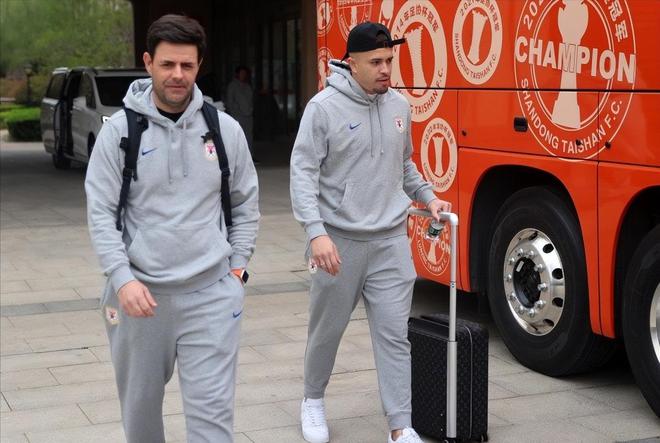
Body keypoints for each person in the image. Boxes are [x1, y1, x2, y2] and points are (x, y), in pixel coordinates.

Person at [85, 14, 259, 443]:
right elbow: (101, 213)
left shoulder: (225, 130)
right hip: (140, 300)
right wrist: (122, 279)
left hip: (212, 296)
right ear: (148, 62)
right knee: (141, 417)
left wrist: (237, 270)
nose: (177, 74)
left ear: (199, 65)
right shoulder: (119, 133)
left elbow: (245, 204)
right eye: (167, 64)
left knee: (213, 421)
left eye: (187, 65)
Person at [290, 22, 451, 443]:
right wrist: (315, 233)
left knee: (395, 337)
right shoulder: (323, 108)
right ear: (352, 63)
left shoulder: (399, 105)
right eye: (376, 62)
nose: (385, 70)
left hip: (390, 241)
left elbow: (404, 165)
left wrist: (429, 197)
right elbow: (302, 173)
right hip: (337, 243)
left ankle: (400, 426)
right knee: (326, 332)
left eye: (389, 61)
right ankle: (312, 400)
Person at [227, 65, 255, 161]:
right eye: (241, 73)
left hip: (248, 116)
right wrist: (236, 111)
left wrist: (250, 110)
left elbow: (251, 100)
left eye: (244, 73)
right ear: (237, 74)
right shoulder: (232, 86)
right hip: (237, 116)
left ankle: (250, 158)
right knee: (237, 137)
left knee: (249, 137)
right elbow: (229, 102)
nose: (243, 75)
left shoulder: (247, 86)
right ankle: (238, 159)